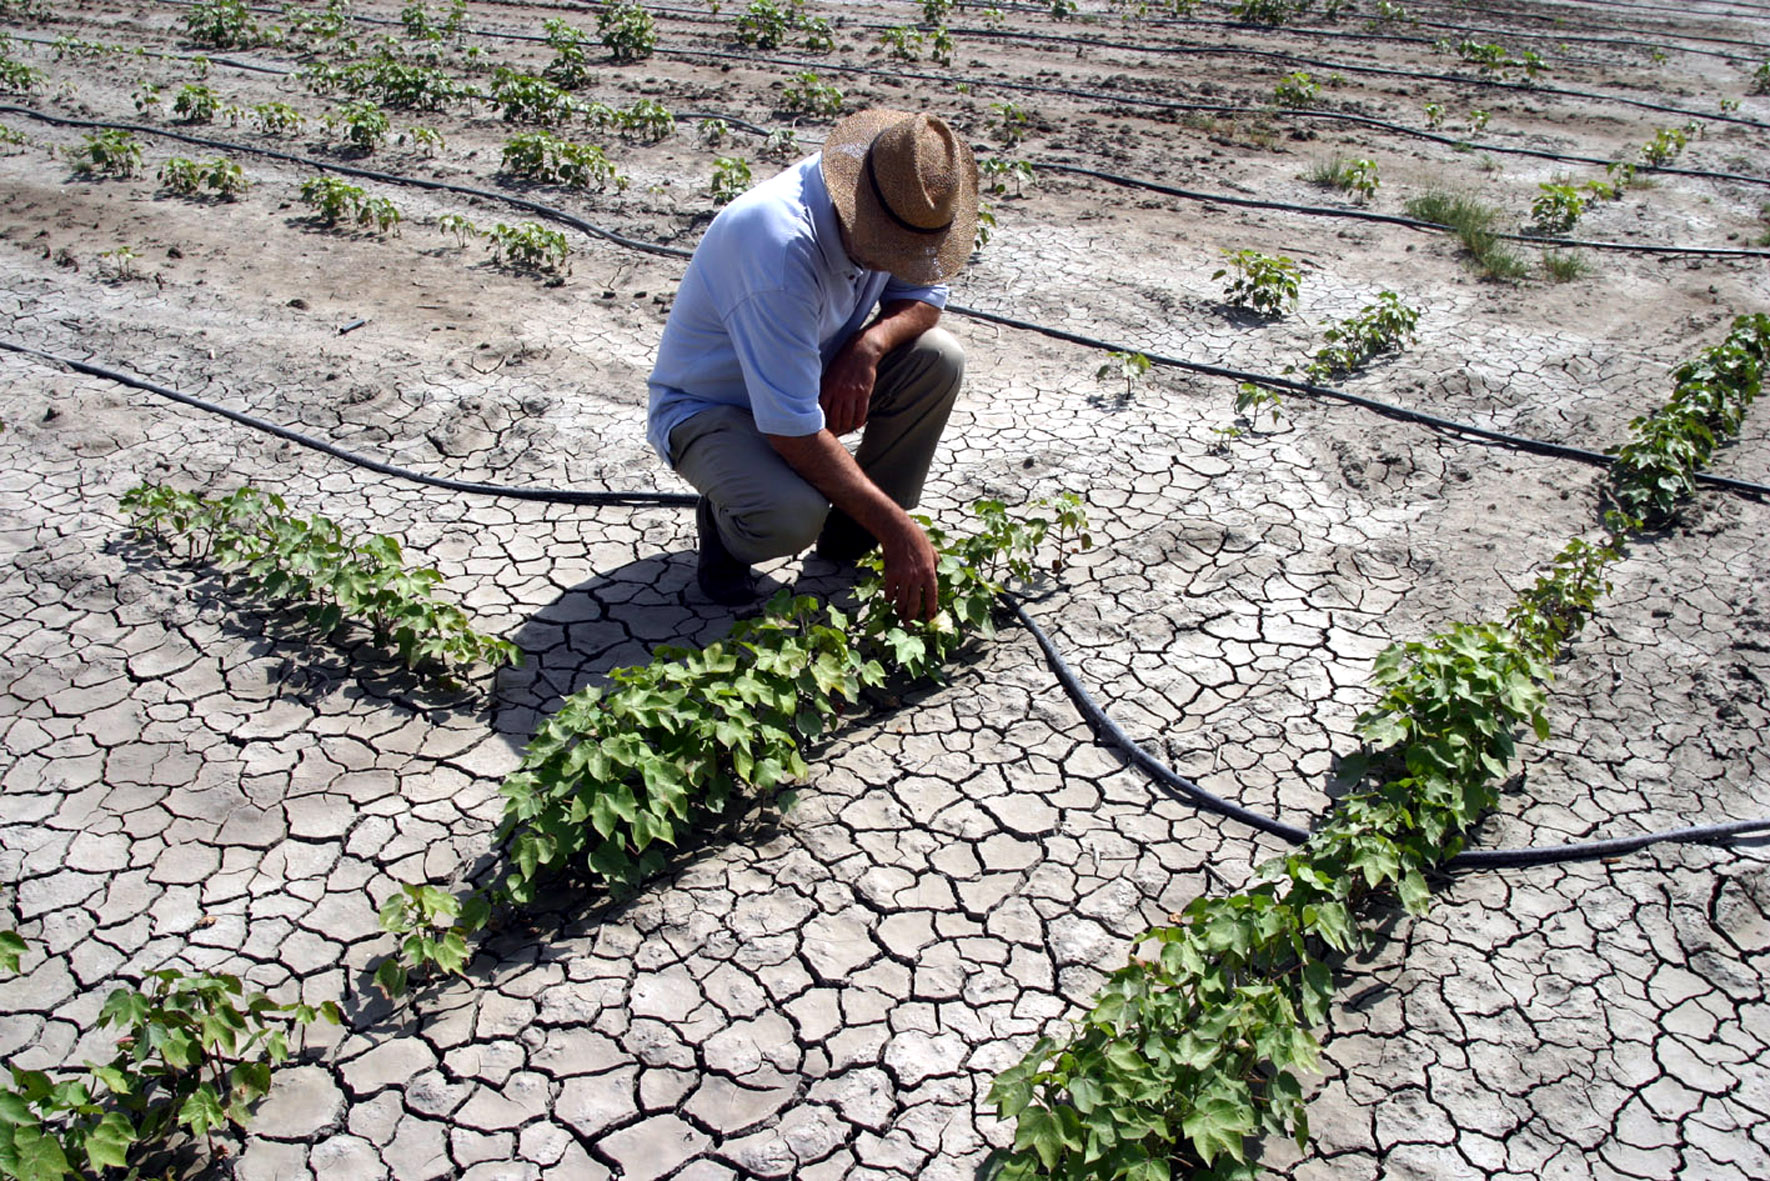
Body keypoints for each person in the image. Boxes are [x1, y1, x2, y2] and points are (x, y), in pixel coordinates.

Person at [646, 108, 978, 622]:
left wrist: (866, 347)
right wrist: (901, 530)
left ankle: (852, 529)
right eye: (895, 250)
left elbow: (925, 298)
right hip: (713, 408)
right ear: (857, 212)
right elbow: (792, 431)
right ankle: (724, 531)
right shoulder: (777, 249)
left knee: (937, 359)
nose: (903, 261)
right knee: (789, 516)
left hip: (808, 375)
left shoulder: (898, 194)